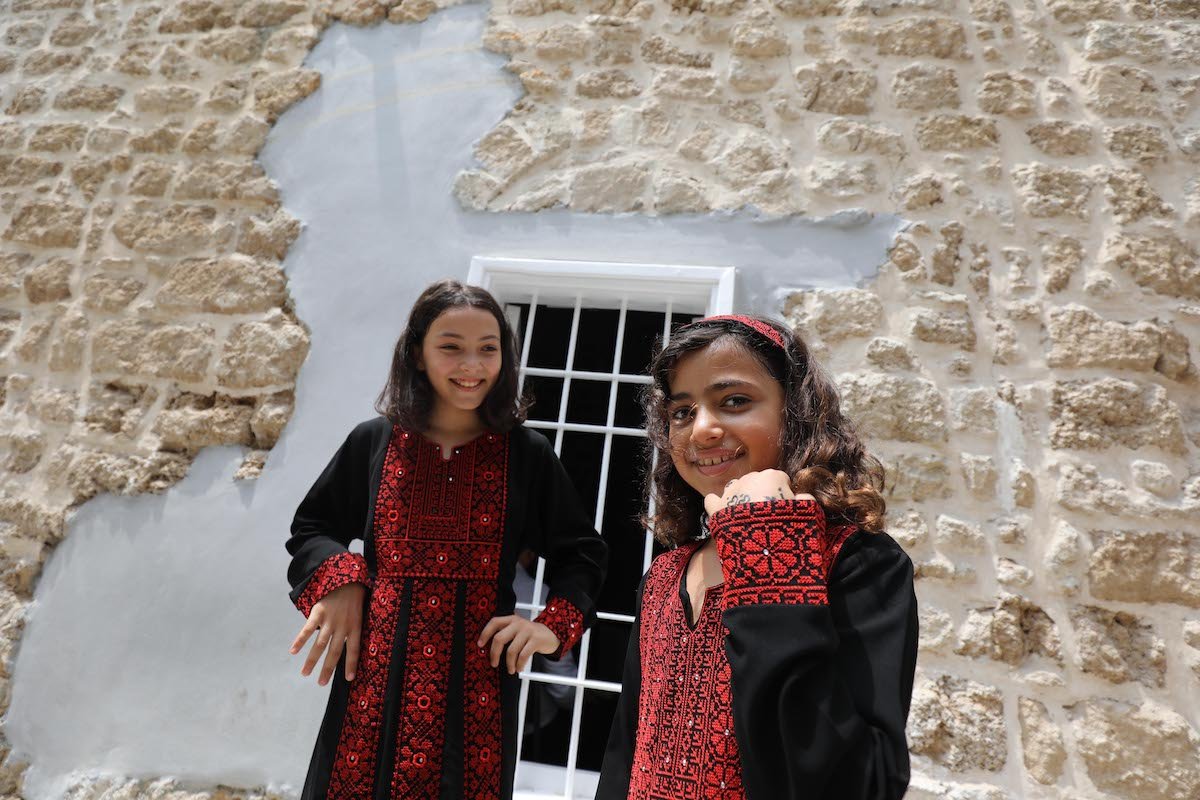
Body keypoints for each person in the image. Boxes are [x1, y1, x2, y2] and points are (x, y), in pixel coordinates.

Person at [286, 280, 608, 800]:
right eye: (451, 347)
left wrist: (549, 628)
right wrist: (344, 581)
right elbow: (313, 527)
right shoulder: (374, 441)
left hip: (476, 697)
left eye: (488, 348)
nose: (472, 365)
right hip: (371, 687)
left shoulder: (526, 454)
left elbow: (583, 555)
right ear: (418, 354)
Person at [596, 314, 917, 800]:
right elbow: (624, 753)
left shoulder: (860, 564)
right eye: (682, 412)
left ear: (797, 414)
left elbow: (863, 783)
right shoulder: (664, 575)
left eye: (734, 401)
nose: (702, 429)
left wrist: (767, 549)